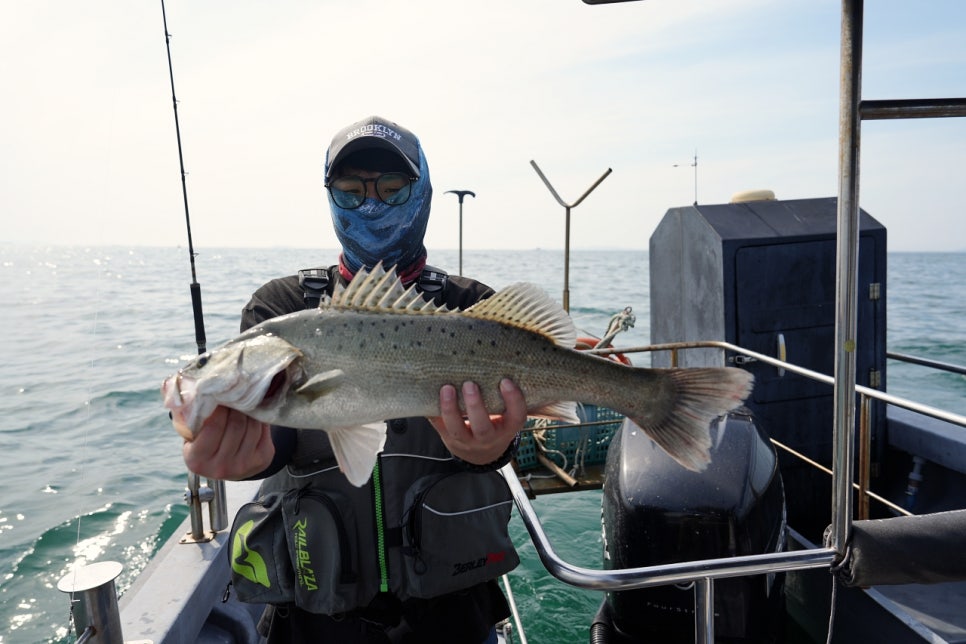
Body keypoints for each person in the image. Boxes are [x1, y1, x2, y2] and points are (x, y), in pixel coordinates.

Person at [176, 115, 526, 644]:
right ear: (329, 196)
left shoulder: (472, 306)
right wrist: (252, 456)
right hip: (319, 617)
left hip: (454, 612)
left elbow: (506, 435)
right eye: (350, 189)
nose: (371, 204)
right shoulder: (281, 307)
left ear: (423, 191)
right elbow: (280, 440)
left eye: (392, 188)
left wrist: (492, 449)